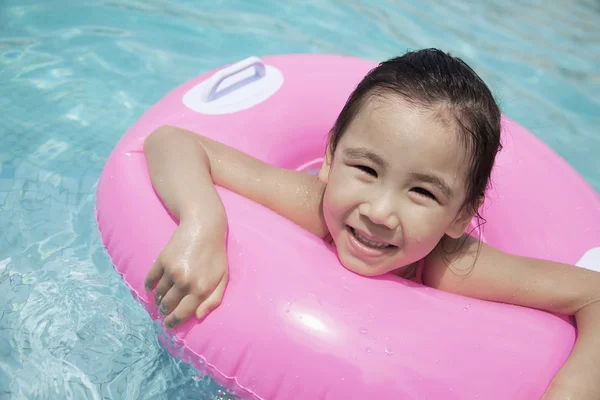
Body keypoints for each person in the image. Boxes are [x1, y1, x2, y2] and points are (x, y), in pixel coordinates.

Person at [142, 49, 600, 399]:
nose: (379, 212)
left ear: (461, 214)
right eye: (366, 170)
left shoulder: (451, 267)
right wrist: (202, 223)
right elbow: (172, 141)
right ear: (329, 157)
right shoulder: (312, 205)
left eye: (422, 192)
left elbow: (594, 294)